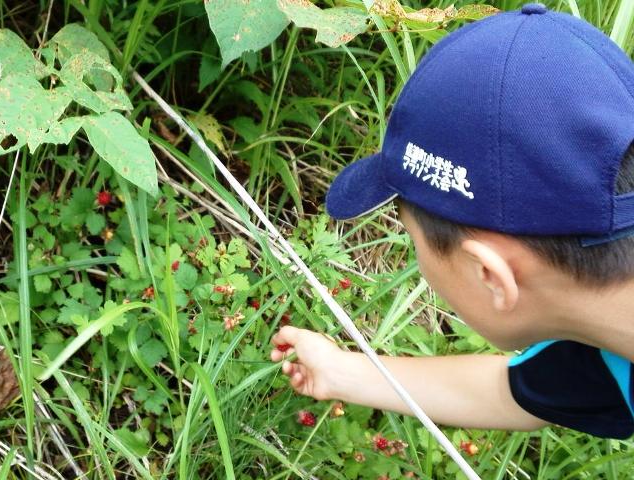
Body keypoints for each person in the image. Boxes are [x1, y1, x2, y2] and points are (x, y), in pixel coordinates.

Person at [270, 2, 634, 439]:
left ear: (491, 276)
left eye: (412, 239)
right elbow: (514, 390)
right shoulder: (610, 350)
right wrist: (342, 371)